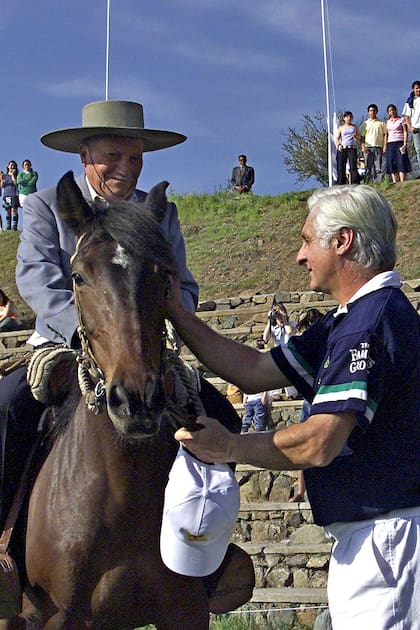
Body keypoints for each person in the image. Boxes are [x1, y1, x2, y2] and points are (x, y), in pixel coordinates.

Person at [166, 184, 420, 628]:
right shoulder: (351, 318)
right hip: (375, 536)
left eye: (307, 241)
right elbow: (255, 369)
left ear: (343, 241)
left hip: (387, 537)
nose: (300, 256)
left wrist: (228, 447)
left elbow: (320, 441)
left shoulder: (369, 321)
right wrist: (177, 313)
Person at [0, 100, 197, 538]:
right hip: (61, 344)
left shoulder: (160, 211)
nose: (125, 169)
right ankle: (3, 544)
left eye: (135, 158)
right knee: (6, 408)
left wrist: (158, 322)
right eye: (114, 156)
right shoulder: (44, 206)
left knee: (216, 412)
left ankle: (208, 551)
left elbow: (184, 287)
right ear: (84, 156)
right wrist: (82, 333)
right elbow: (37, 279)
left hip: (146, 349)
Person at [288, 308, 322, 503]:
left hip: (317, 398)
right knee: (304, 445)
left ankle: (302, 491)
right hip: (311, 399)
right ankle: (301, 491)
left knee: (307, 445)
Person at [263, 302, 297, 400]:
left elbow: (290, 332)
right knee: (273, 371)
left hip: (289, 352)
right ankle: (274, 395)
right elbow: (265, 338)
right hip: (278, 353)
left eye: (279, 311)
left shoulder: (291, 324)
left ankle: (292, 394)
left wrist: (284, 320)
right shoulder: (273, 328)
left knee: (288, 371)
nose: (277, 314)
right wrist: (269, 320)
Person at [360, 104, 387, 183]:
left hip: (378, 147)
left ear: (377, 112)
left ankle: (378, 183)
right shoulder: (365, 123)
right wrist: (363, 146)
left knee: (378, 167)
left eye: (374, 110)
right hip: (368, 148)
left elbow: (385, 135)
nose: (373, 112)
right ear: (368, 112)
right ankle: (368, 184)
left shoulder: (381, 123)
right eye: (371, 110)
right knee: (368, 167)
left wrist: (385, 146)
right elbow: (362, 136)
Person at [385, 104, 411, 183]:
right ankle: (394, 182)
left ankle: (402, 181)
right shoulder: (388, 122)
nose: (392, 111)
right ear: (388, 112)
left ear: (395, 110)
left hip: (400, 142)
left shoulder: (401, 119)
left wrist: (405, 143)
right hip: (390, 143)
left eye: (393, 109)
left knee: (401, 161)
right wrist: (385, 146)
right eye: (390, 110)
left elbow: (405, 131)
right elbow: (386, 134)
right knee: (392, 161)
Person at [335, 112, 360, 185]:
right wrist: (339, 144)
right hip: (343, 148)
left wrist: (356, 136)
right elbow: (337, 138)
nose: (349, 118)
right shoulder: (341, 128)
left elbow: (360, 137)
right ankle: (341, 183)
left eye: (350, 117)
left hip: (352, 148)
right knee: (341, 166)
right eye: (347, 117)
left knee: (353, 165)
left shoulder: (354, 127)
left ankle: (355, 182)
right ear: (344, 118)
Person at [402, 80, 420, 171]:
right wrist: (410, 127)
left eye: (419, 88)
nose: (418, 90)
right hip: (415, 128)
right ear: (413, 89)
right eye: (417, 88)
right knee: (418, 150)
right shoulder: (410, 101)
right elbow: (407, 117)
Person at [0, 161, 20, 231]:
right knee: (8, 211)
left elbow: (15, 183)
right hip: (6, 195)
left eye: (13, 165)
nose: (12, 167)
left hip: (14, 195)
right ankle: (8, 226)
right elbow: (2, 186)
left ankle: (14, 226)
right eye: (11, 165)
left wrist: (12, 175)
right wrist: (2, 179)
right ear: (8, 166)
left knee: (14, 210)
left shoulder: (17, 175)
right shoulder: (4, 176)